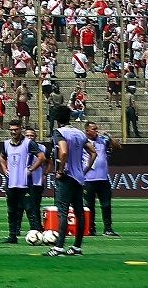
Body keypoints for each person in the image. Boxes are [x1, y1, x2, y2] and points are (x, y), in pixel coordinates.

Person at [49, 104, 89, 257]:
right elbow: (92, 152)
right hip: (79, 178)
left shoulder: (59, 132)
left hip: (66, 177)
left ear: (57, 119)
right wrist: (84, 169)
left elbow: (63, 151)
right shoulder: (79, 132)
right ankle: (77, 247)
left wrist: (60, 170)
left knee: (63, 212)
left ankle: (59, 248)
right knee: (79, 213)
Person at [0, 122, 37, 243]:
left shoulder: (28, 143)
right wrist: (4, 168)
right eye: (11, 130)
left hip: (25, 183)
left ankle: (35, 233)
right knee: (11, 210)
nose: (13, 132)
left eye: (15, 129)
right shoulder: (6, 144)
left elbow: (41, 157)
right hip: (11, 183)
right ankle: (12, 236)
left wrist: (31, 169)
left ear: (21, 129)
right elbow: (1, 157)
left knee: (30, 209)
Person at [83, 120, 118, 235]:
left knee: (106, 205)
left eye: (96, 128)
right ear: (87, 131)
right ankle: (91, 228)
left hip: (103, 178)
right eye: (93, 129)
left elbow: (117, 146)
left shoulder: (103, 140)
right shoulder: (82, 141)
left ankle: (108, 228)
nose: (96, 131)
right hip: (88, 179)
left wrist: (109, 136)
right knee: (89, 206)